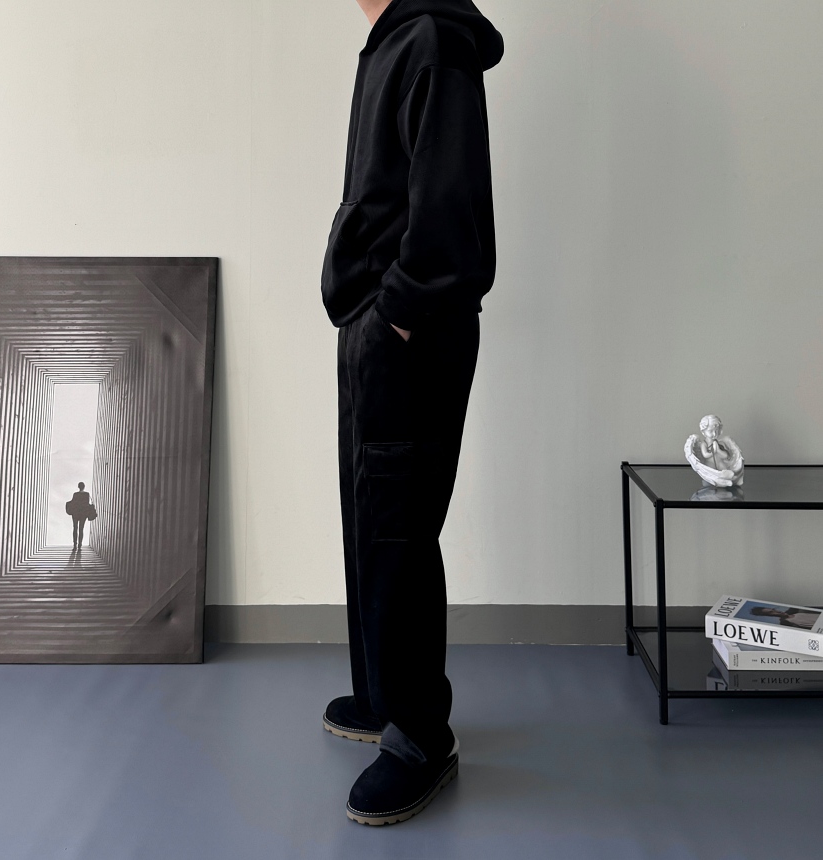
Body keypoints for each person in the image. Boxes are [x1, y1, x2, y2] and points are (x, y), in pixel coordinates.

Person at [320, 0, 503, 825]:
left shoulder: (432, 41)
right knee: (370, 511)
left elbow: (449, 213)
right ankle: (384, 696)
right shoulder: (394, 41)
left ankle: (421, 736)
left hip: (411, 329)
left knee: (398, 523)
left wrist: (396, 312)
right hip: (377, 324)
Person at [750, 606, 820, 630]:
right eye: (771, 612)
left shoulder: (794, 611)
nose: (777, 611)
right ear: (770, 616)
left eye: (773, 609)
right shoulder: (786, 623)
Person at [67, 482, 90, 550]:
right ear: (84, 487)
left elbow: (73, 503)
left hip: (75, 513)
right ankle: (80, 545)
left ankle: (75, 545)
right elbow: (87, 504)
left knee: (75, 528)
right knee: (81, 529)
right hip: (83, 514)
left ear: (78, 487)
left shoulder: (75, 494)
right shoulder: (87, 494)